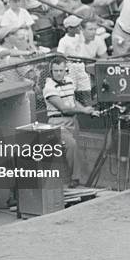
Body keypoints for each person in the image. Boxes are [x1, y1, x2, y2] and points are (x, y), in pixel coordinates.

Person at [43, 56, 99, 187]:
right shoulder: (49, 87)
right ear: (51, 72)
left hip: (72, 121)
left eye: (61, 70)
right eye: (55, 71)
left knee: (77, 149)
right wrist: (84, 111)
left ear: (65, 70)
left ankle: (78, 180)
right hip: (57, 123)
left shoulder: (68, 81)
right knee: (71, 145)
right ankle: (75, 180)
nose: (58, 73)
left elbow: (73, 102)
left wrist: (87, 109)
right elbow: (64, 108)